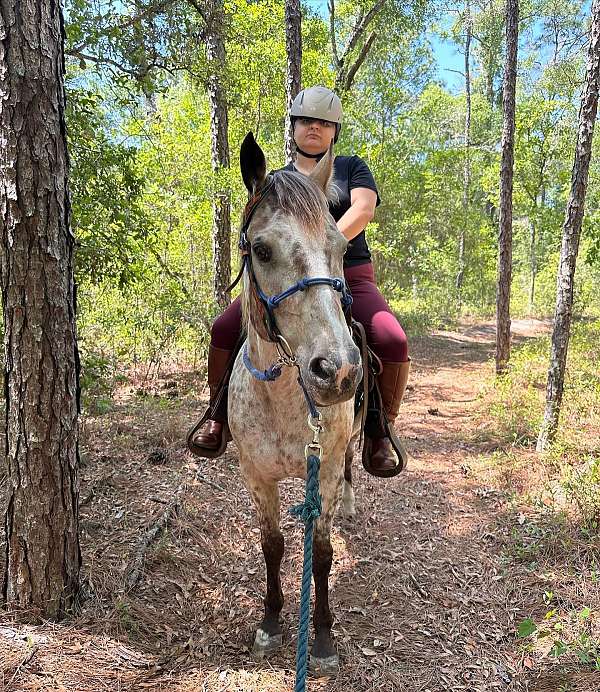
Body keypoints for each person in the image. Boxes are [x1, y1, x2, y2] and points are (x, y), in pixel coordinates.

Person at [188, 86, 410, 475]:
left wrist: (322, 249)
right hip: (287, 279)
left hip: (348, 273)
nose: (314, 128)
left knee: (391, 339)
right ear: (293, 127)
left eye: (324, 123)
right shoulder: (278, 181)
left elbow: (363, 208)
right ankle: (216, 415)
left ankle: (378, 430)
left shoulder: (351, 167)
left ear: (334, 131)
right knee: (225, 328)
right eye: (307, 121)